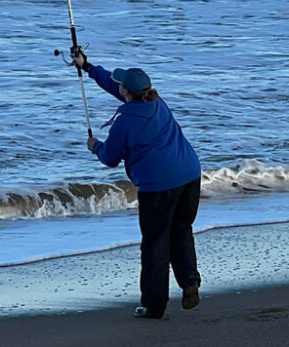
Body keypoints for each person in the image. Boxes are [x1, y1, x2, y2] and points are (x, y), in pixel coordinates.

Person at [71, 46, 203, 320]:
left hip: (158, 186)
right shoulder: (157, 101)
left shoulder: (124, 122)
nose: (118, 87)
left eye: (121, 86)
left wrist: (95, 146)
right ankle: (190, 283)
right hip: (190, 174)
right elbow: (114, 85)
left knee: (155, 244)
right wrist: (87, 66)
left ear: (127, 93)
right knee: (181, 230)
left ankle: (154, 306)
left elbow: (110, 158)